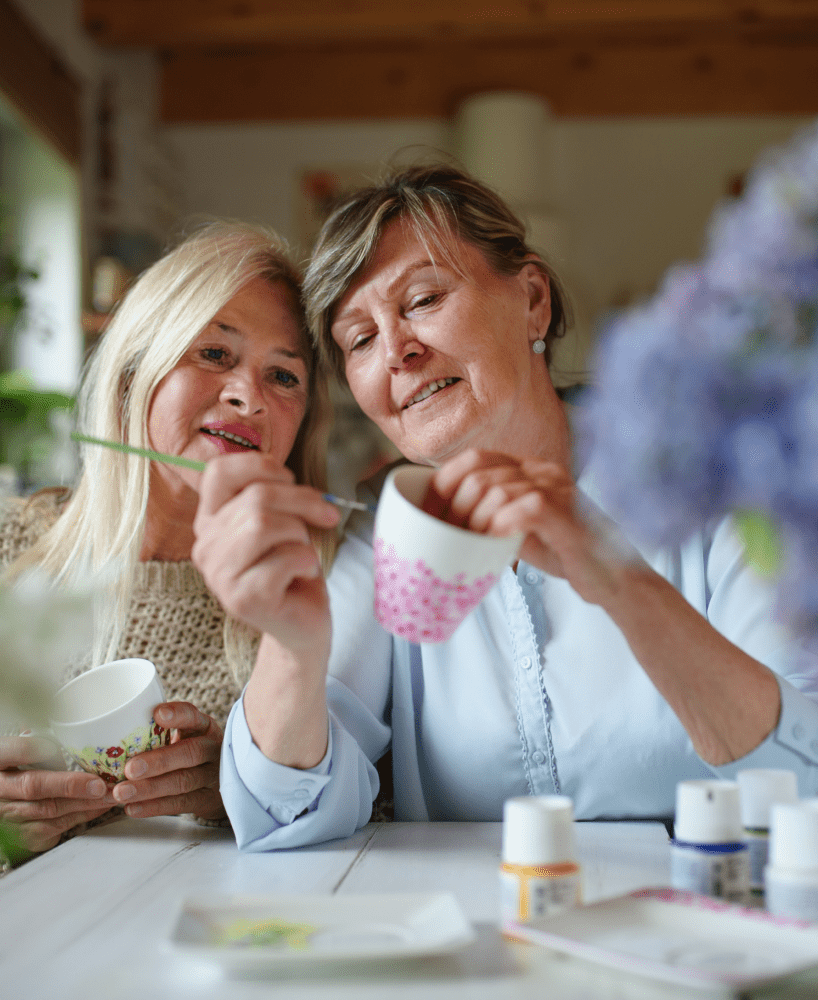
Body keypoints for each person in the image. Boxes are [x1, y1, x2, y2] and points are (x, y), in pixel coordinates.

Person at [197, 164, 818, 851]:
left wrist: (615, 576)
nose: (398, 352)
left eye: (424, 299)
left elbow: (803, 772)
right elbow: (283, 814)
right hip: (477, 945)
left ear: (532, 302)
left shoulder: (713, 481)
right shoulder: (387, 527)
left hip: (706, 932)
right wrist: (294, 644)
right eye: (360, 340)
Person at [0, 220, 338, 919]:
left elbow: (366, 823)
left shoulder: (307, 596)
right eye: (214, 352)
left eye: (284, 375)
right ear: (132, 375)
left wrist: (239, 790)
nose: (249, 395)